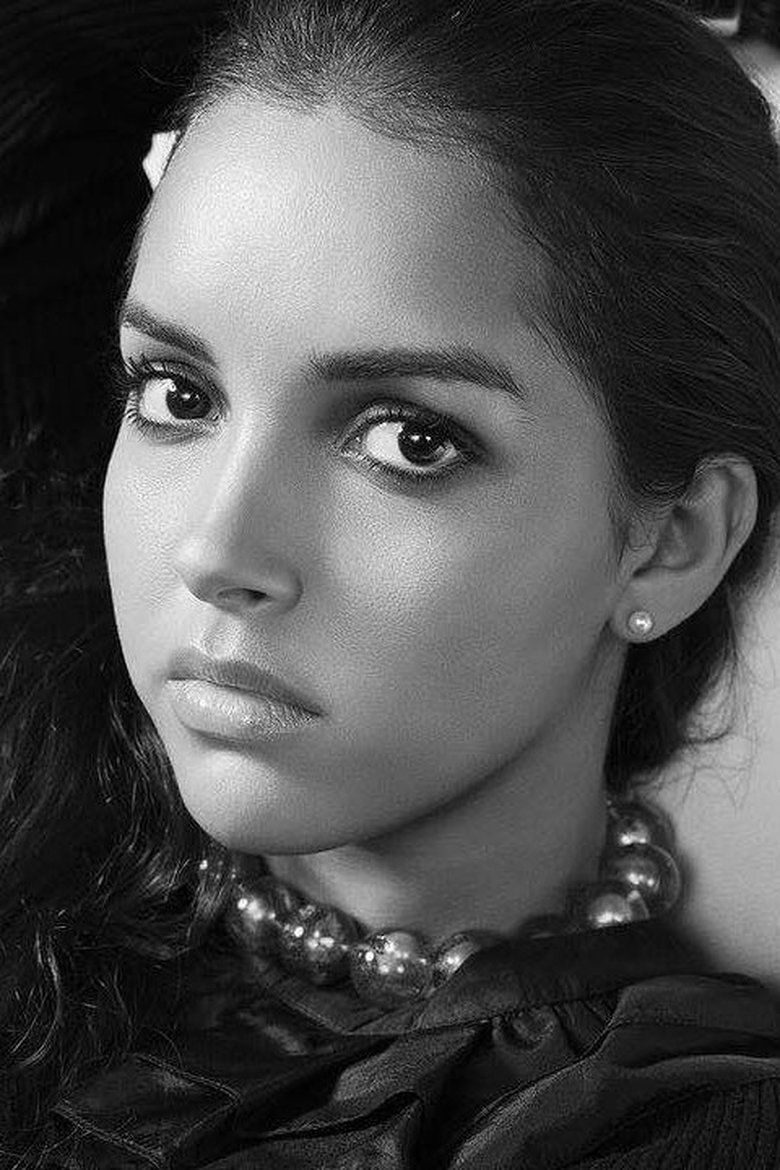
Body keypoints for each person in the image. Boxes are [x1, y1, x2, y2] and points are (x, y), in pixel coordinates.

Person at [2, 0, 780, 1166]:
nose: (216, 551)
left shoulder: (677, 1123)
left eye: (409, 441)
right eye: (176, 393)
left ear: (672, 543)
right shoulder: (45, 769)